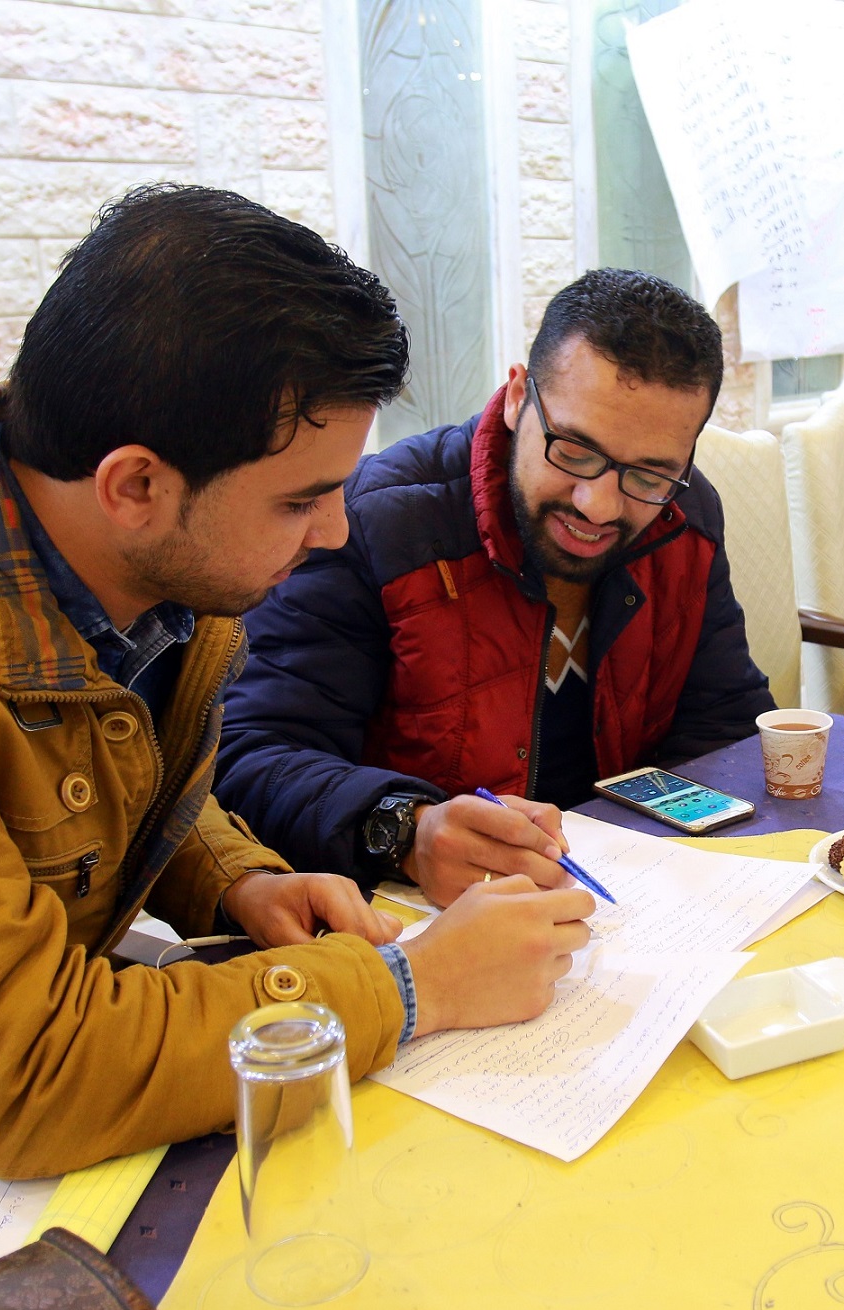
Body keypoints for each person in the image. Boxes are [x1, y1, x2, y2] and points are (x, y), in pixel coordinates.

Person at [0, 185, 594, 1178]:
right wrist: (412, 989)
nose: (333, 532)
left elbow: (105, 760)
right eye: (301, 502)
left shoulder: (145, 550)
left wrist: (238, 881)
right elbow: (17, 1077)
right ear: (136, 485)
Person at [215, 268, 775, 910]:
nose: (597, 505)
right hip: (415, 919)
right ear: (516, 398)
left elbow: (724, 728)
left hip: (632, 907)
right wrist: (406, 830)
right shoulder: (376, 522)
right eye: (574, 450)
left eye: (649, 475)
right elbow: (249, 758)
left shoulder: (682, 518)